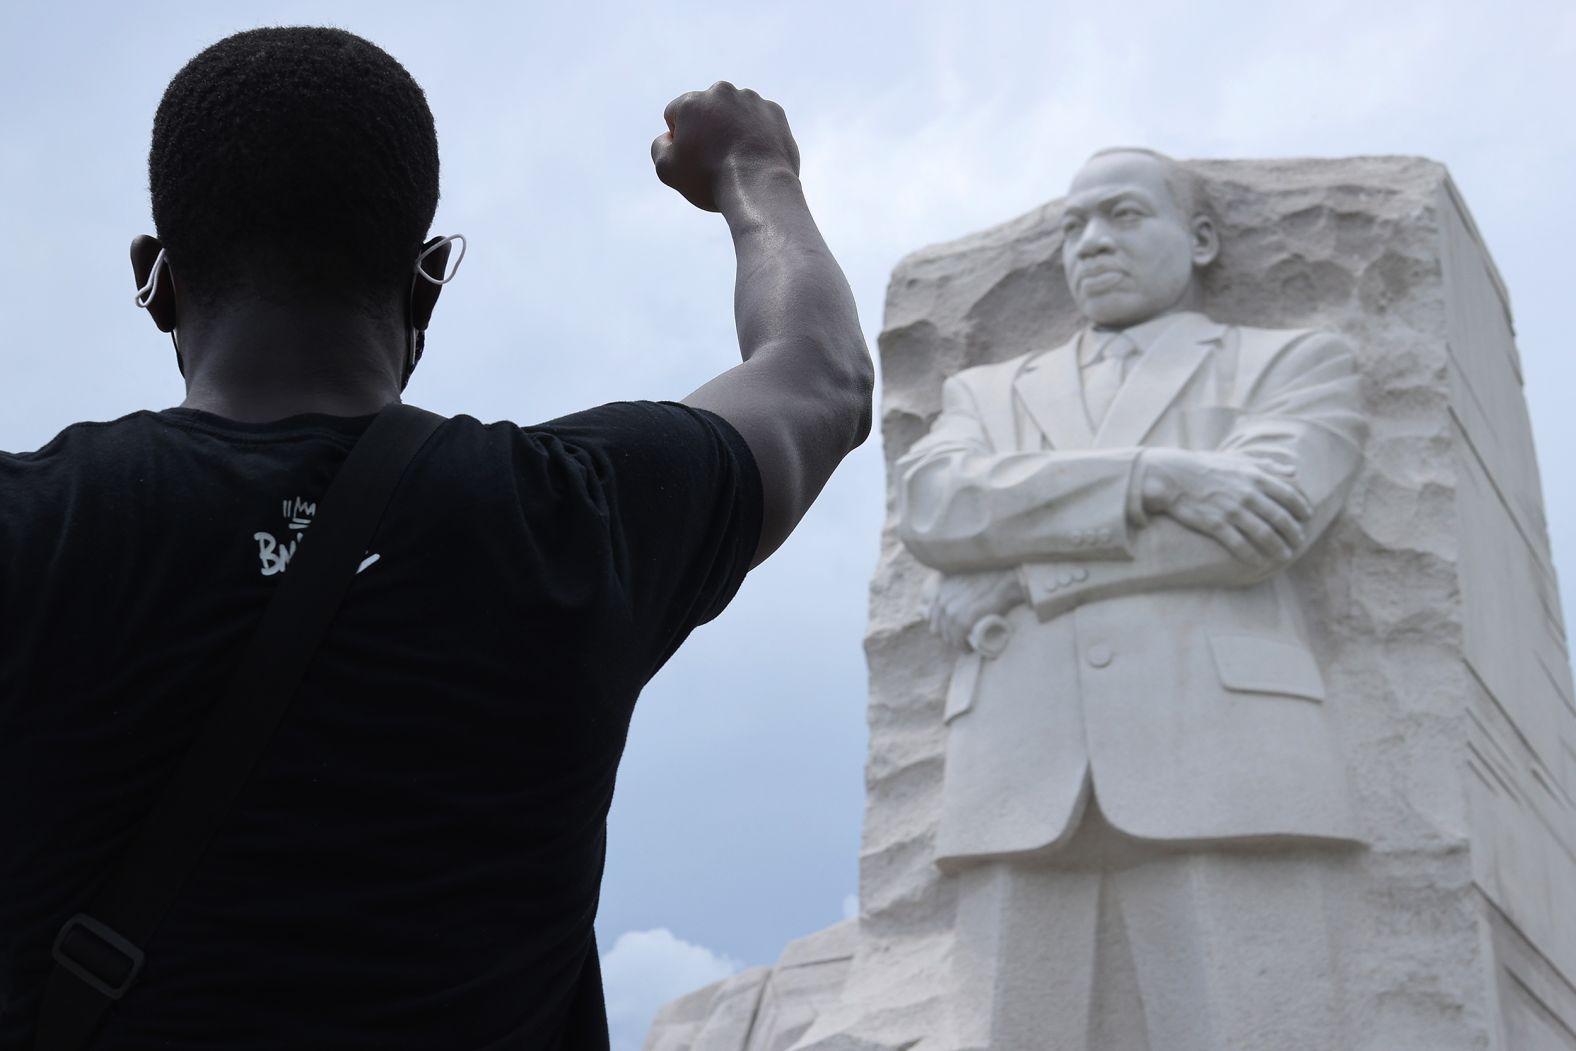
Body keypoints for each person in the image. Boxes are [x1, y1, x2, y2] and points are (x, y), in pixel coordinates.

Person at [0, 26, 870, 1051]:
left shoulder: (33, 526)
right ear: (425, 284)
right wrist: (753, 170)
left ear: (158, 280)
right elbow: (820, 374)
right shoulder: (577, 515)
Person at [896, 148, 1366, 1049]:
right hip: (1017, 768)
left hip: (1227, 757)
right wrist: (1156, 474)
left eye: (1122, 215)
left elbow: (1262, 527)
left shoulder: (1289, 364)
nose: (1091, 243)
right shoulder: (986, 394)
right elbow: (935, 505)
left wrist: (1025, 575)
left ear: (1200, 240)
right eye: (1072, 226)